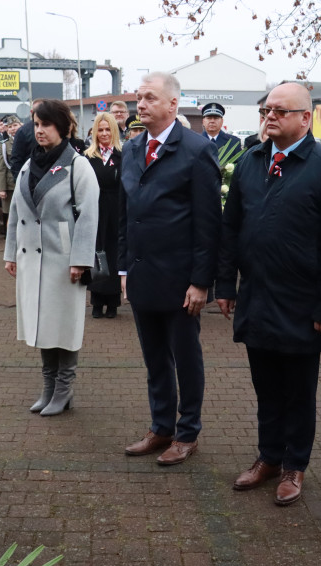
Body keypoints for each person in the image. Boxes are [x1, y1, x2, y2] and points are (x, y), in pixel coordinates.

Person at [216, 83, 321, 506]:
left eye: (280, 111)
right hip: (257, 297)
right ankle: (269, 456)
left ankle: (295, 465)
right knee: (266, 387)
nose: (270, 117)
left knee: (297, 390)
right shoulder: (251, 162)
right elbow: (231, 227)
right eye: (266, 111)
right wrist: (225, 284)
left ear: (305, 118)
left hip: (302, 303)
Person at [118, 72, 222, 466]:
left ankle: (187, 432)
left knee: (185, 358)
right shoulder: (132, 148)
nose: (141, 105)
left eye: (149, 98)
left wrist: (201, 282)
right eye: (138, 98)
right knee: (155, 358)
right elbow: (127, 215)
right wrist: (124, 271)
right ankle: (161, 426)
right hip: (142, 274)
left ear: (173, 104)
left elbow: (208, 224)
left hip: (181, 281)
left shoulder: (196, 150)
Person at [4, 99, 99, 417]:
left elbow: (89, 216)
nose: (39, 130)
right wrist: (10, 253)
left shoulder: (78, 166)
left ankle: (63, 388)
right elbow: (16, 213)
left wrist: (80, 259)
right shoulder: (28, 165)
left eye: (46, 124)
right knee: (42, 323)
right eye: (36, 124)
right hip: (32, 260)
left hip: (64, 261)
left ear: (63, 127)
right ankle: (48, 386)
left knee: (64, 325)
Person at [83, 112, 123, 319]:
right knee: (97, 254)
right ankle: (96, 301)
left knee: (114, 254)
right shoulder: (87, 157)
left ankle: (113, 303)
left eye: (108, 129)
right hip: (95, 209)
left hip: (116, 210)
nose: (104, 133)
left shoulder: (122, 155)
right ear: (95, 132)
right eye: (101, 130)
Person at [0, 115, 21, 236]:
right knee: (9, 212)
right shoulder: (4, 144)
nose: (13, 128)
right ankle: (10, 235)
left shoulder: (26, 141)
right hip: (11, 183)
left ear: (20, 125)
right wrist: (2, 188)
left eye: (15, 125)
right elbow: (1, 168)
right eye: (10, 127)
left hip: (25, 181)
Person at [9, 99, 45, 178]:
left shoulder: (54, 129)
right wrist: (20, 180)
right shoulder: (23, 131)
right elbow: (16, 160)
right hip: (30, 177)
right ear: (32, 112)